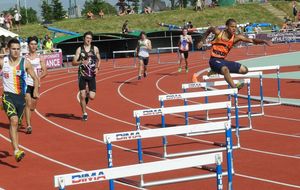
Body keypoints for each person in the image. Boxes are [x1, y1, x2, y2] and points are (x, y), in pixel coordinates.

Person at [192, 19, 272, 90]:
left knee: (244, 70)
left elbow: (252, 40)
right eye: (232, 26)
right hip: (213, 60)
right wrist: (202, 41)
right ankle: (234, 88)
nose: (234, 29)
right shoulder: (218, 33)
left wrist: (264, 41)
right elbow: (209, 29)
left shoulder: (236, 38)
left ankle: (216, 70)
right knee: (225, 70)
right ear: (227, 26)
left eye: (235, 27)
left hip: (223, 61)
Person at [0, 38, 39, 162]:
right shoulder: (3, 62)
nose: (16, 51)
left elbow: (35, 78)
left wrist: (36, 90)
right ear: (8, 50)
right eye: (13, 49)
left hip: (20, 98)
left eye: (18, 49)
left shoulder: (25, 63)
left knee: (17, 125)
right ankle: (17, 150)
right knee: (14, 120)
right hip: (8, 96)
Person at [72, 31, 101, 121]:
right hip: (82, 74)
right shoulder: (79, 49)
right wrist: (81, 62)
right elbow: (73, 62)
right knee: (82, 95)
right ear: (84, 38)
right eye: (87, 38)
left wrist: (97, 68)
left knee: (92, 97)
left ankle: (87, 97)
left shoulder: (95, 49)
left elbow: (99, 60)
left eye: (90, 38)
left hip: (91, 74)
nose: (89, 40)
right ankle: (84, 113)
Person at [24, 36, 47, 134]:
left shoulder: (40, 57)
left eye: (35, 44)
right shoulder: (24, 58)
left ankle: (23, 113)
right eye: (31, 44)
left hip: (36, 85)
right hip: (26, 83)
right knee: (28, 104)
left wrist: (39, 78)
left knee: (32, 107)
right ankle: (29, 125)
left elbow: (45, 71)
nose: (33, 46)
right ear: (28, 45)